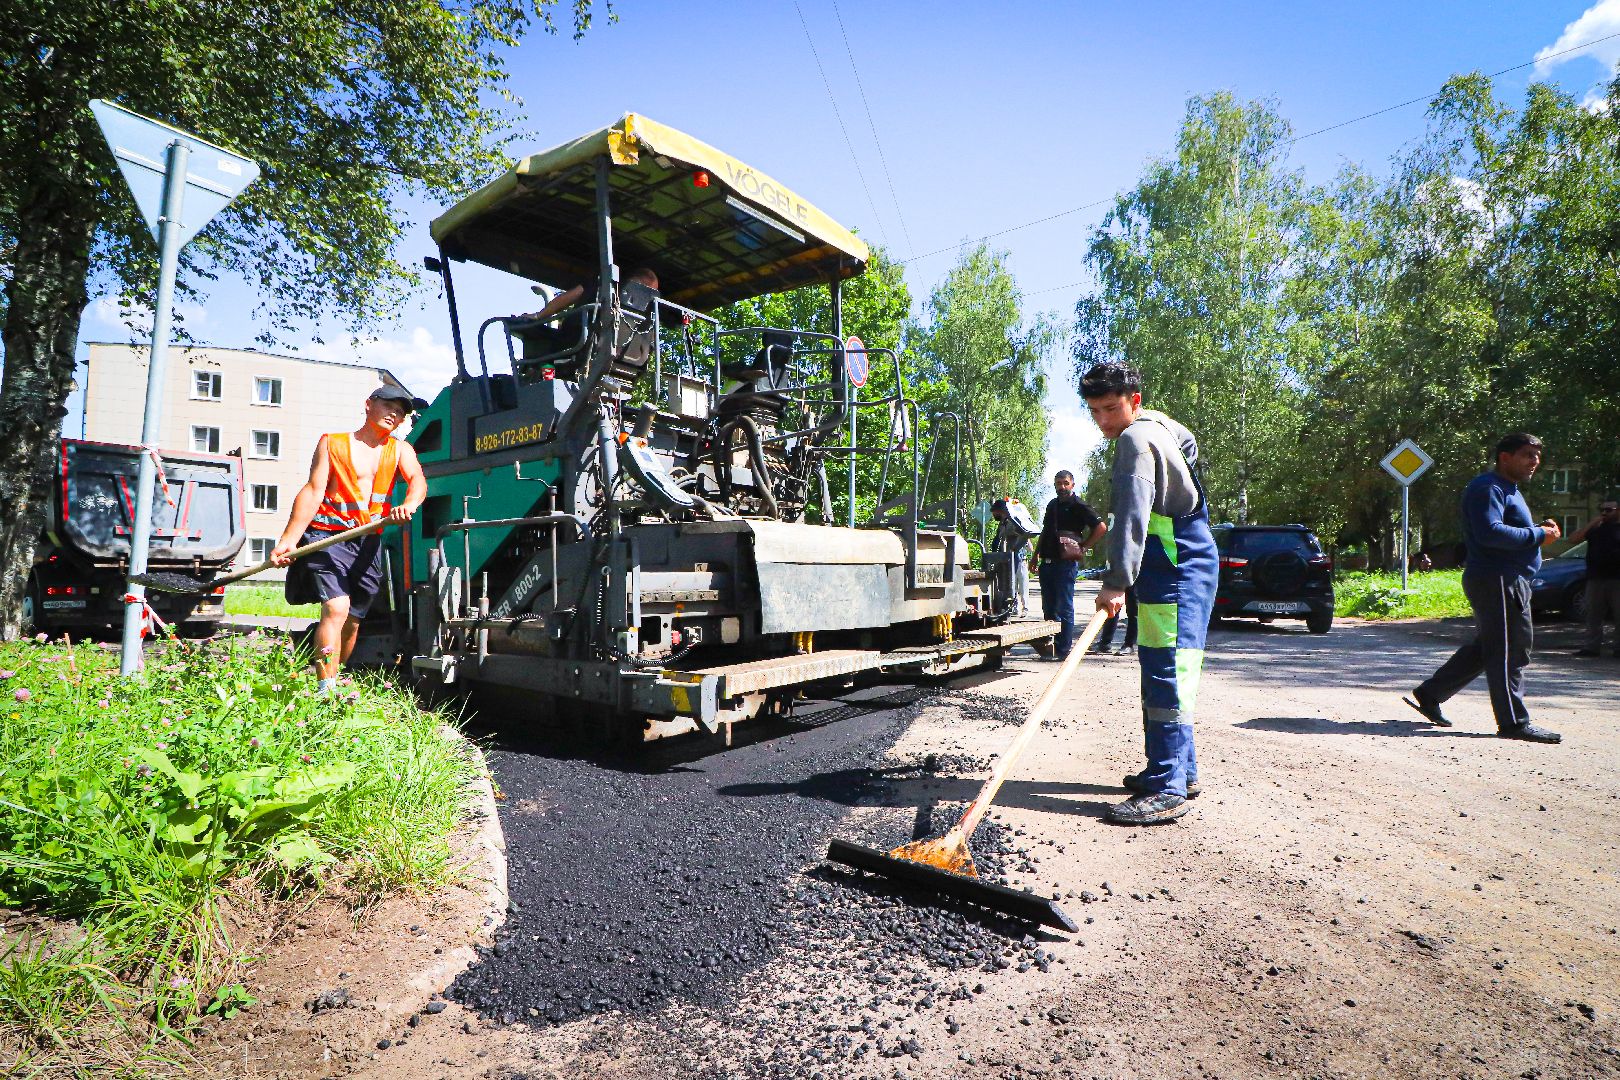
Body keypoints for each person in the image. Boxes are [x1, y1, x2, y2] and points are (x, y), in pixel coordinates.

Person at [1083, 362, 1217, 826]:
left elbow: (1130, 516)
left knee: (1167, 674)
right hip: (1179, 560)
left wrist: (1116, 581)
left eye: (1111, 408)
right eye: (1094, 411)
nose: (1103, 421)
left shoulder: (1134, 441)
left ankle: (1167, 784)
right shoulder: (1158, 424)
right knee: (1168, 670)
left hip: (1176, 567)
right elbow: (1190, 442)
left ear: (1133, 401)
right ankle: (1183, 769)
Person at [1403, 433, 1562, 742]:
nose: (1535, 461)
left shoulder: (1508, 490)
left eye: (1537, 456)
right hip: (1498, 578)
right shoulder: (1487, 487)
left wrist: (1538, 533)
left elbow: (1505, 530)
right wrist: (1539, 535)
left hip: (1506, 579)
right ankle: (1513, 722)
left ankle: (1431, 693)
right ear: (1505, 457)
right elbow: (1490, 533)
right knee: (1510, 650)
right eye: (1527, 454)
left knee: (1488, 648)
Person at [273, 386, 429, 694]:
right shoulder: (333, 443)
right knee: (337, 608)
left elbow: (418, 481)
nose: (395, 414)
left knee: (353, 622)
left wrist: (409, 504)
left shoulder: (400, 450)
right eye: (389, 405)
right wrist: (288, 540)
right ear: (369, 405)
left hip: (366, 543)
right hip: (327, 536)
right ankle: (324, 691)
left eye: (402, 411)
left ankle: (329, 677)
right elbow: (313, 490)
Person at [1032, 470, 1105, 658]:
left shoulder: (1079, 505)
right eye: (1058, 483)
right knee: (1048, 607)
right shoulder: (1052, 505)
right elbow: (1045, 532)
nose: (1062, 487)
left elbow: (1101, 527)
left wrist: (1084, 547)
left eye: (1065, 483)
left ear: (1072, 484)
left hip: (1065, 564)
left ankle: (1063, 650)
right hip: (1047, 563)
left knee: (1064, 607)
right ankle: (1050, 647)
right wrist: (1034, 557)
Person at [1569, 499, 1620, 658]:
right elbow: (1574, 539)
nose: (1604, 513)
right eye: (1602, 510)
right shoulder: (1596, 529)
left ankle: (1618, 648)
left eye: (1609, 510)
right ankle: (1591, 648)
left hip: (1617, 579)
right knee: (1593, 615)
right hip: (1595, 578)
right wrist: (1592, 523)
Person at [990, 497, 1032, 617]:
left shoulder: (1014, 521)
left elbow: (1025, 535)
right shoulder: (1003, 523)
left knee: (1022, 584)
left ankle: (1025, 608)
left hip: (1020, 556)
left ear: (1001, 511)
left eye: (995, 512)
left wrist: (1016, 547)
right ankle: (1014, 607)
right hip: (1008, 557)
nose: (994, 515)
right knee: (1010, 583)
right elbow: (997, 540)